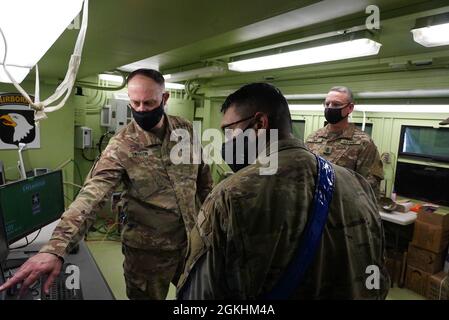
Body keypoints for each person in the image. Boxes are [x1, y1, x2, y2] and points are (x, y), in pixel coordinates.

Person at [0, 69, 213, 300]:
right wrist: (56, 247)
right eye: (135, 103)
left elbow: (203, 180)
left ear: (165, 98)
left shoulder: (185, 129)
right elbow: (92, 196)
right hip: (147, 256)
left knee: (198, 297)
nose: (141, 110)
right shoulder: (121, 145)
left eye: (149, 102)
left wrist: (210, 227)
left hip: (191, 244)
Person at [176, 83, 389, 299]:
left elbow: (197, 297)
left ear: (260, 123)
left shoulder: (229, 196)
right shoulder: (357, 185)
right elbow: (376, 277)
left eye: (229, 131)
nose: (226, 141)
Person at [305, 86, 384, 197]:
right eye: (327, 104)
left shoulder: (363, 143)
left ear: (350, 108)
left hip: (342, 209)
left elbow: (369, 188)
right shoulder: (313, 138)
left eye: (336, 104)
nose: (330, 108)